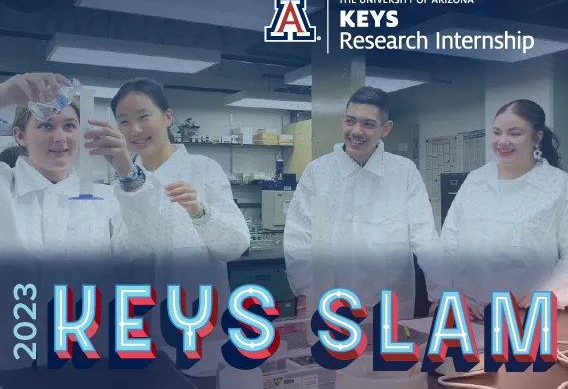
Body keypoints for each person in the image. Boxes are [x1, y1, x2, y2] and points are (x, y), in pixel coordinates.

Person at [0, 73, 172, 376]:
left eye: (69, 126)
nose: (59, 137)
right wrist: (3, 94)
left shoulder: (104, 199)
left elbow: (149, 243)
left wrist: (127, 171)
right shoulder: (5, 190)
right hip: (14, 363)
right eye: (45, 125)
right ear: (20, 136)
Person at [110, 77, 250, 377]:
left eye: (144, 117)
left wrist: (200, 213)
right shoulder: (121, 186)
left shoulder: (204, 170)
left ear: (168, 117)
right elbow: (125, 254)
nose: (135, 130)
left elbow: (236, 246)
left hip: (201, 328)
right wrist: (132, 188)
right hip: (140, 330)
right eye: (124, 122)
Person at [284, 86, 438, 321]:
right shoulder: (319, 172)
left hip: (390, 304)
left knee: (388, 356)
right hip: (331, 303)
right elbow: (299, 239)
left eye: (368, 124)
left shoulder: (403, 172)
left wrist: (442, 294)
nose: (356, 131)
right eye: (350, 121)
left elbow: (425, 237)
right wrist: (304, 299)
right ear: (342, 121)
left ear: (385, 129)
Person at [432, 99, 568, 319]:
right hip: (469, 312)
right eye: (496, 133)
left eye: (514, 134)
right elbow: (448, 246)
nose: (503, 142)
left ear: (537, 138)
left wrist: (546, 292)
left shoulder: (559, 186)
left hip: (527, 313)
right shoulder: (476, 181)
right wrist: (448, 295)